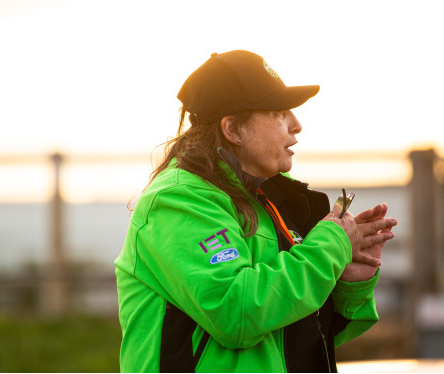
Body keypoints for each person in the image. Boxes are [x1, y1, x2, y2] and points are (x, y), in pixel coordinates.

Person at [115, 50, 398, 373]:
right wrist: (331, 246)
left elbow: (299, 335)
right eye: (278, 112)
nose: (296, 124)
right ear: (233, 129)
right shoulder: (177, 200)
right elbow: (237, 314)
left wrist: (349, 280)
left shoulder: (269, 198)